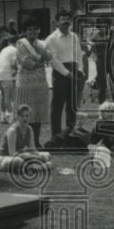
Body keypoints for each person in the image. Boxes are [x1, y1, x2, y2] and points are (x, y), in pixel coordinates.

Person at [45, 9, 85, 142]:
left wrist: (79, 69)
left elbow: (79, 54)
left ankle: (70, 132)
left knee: (72, 105)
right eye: (62, 19)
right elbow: (54, 61)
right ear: (57, 22)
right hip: (61, 73)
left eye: (68, 19)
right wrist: (68, 74)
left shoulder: (74, 36)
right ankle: (56, 135)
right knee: (57, 105)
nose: (65, 22)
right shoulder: (51, 39)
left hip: (74, 70)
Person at [14, 22, 52, 149]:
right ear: (25, 31)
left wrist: (41, 57)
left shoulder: (40, 44)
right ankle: (23, 143)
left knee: (37, 115)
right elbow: (28, 63)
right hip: (26, 84)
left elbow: (48, 57)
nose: (32, 32)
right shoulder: (21, 44)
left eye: (35, 29)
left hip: (40, 83)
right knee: (25, 114)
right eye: (29, 29)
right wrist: (41, 60)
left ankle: (35, 142)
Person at [0, 105, 52, 174]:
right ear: (18, 117)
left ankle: (32, 168)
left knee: (46, 155)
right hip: (5, 159)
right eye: (22, 116)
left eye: (27, 116)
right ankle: (36, 168)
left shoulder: (29, 129)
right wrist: (27, 156)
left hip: (21, 157)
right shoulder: (13, 131)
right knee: (17, 161)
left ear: (30, 117)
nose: (25, 118)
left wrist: (40, 155)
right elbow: (12, 154)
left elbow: (32, 149)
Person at [0, 34, 19, 123]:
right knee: (8, 97)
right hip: (6, 73)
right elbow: (13, 64)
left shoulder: (4, 49)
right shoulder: (15, 50)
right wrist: (18, 70)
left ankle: (3, 116)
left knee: (4, 96)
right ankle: (12, 118)